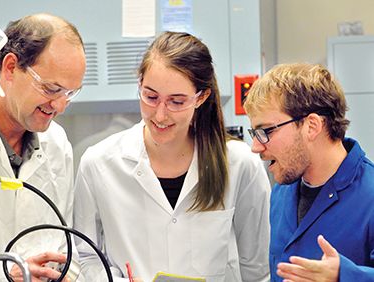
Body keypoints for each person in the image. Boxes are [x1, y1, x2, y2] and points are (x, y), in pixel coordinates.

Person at [73, 31, 271, 281]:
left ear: (202, 97)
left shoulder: (240, 163)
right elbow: (84, 255)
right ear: (139, 85)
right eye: (151, 97)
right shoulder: (99, 163)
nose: (160, 115)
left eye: (176, 102)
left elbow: (256, 266)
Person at [0, 13, 86, 281]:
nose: (58, 106)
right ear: (11, 67)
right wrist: (5, 275)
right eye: (50, 89)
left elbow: (65, 247)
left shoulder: (56, 144)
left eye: (69, 94)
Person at [243, 63, 374, 281]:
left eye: (265, 131)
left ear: (311, 126)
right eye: (254, 133)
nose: (256, 147)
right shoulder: (282, 192)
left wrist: (345, 276)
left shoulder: (369, 195)